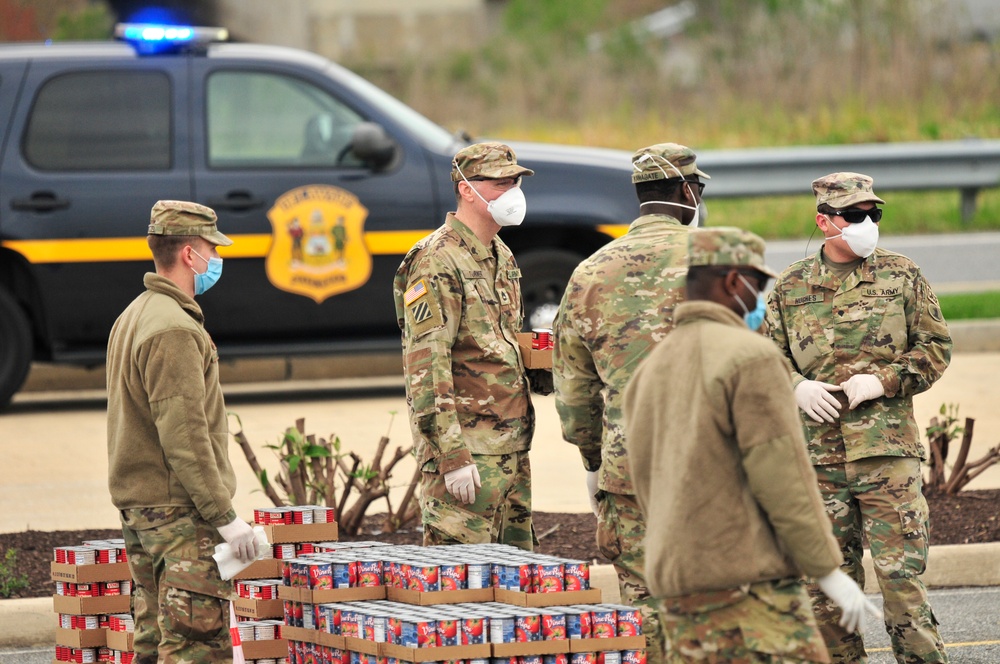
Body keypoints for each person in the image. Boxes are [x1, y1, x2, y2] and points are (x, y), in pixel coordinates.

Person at [624, 226, 877, 663]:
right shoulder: (751, 357)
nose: (760, 298)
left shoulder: (650, 369)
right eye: (758, 286)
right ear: (733, 282)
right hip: (749, 595)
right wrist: (828, 571)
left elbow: (645, 481)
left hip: (678, 591)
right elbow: (784, 479)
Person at [764, 173, 952, 663]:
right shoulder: (790, 287)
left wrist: (885, 381)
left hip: (886, 456)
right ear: (824, 221)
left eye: (874, 213)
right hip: (817, 461)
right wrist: (795, 386)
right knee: (826, 590)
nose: (867, 223)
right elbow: (765, 358)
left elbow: (935, 349)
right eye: (854, 215)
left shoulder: (901, 275)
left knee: (902, 583)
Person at [551, 142, 708, 664]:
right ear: (689, 192)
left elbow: (574, 391)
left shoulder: (590, 273)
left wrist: (594, 460)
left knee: (643, 603)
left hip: (628, 465)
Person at [106, 200, 260, 663]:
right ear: (190, 255)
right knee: (195, 647)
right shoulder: (173, 328)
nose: (216, 259)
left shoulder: (134, 315)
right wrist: (226, 518)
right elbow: (186, 437)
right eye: (212, 249)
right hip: (180, 516)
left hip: (145, 508)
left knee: (155, 644)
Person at [393, 142, 539, 550]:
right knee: (459, 587)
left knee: (516, 584)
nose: (512, 192)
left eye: (514, 181)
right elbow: (427, 366)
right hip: (468, 455)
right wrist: (451, 457)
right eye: (499, 183)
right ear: (466, 190)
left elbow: (498, 343)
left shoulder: (501, 255)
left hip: (510, 446)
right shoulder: (436, 260)